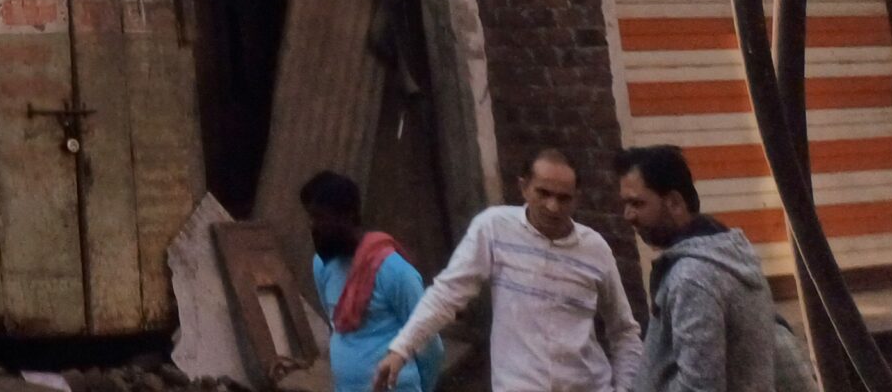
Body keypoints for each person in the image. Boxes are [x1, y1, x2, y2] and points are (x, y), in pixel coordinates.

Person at [374, 149, 642, 392]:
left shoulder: (594, 249)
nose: (553, 206)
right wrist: (402, 348)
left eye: (563, 198)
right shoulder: (494, 229)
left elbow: (624, 331)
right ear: (524, 188)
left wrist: (626, 388)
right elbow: (448, 293)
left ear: (576, 199)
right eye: (543, 193)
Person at [614, 146, 812, 392]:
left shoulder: (693, 277)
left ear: (675, 202)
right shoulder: (726, 256)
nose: (628, 215)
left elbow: (698, 387)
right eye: (625, 204)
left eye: (637, 203)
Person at [296, 170, 443, 392]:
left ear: (348, 216)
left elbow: (430, 345)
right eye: (310, 218)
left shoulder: (395, 271)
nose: (312, 227)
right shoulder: (322, 265)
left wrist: (422, 386)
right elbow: (335, 324)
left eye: (320, 218)